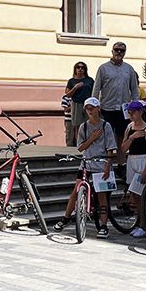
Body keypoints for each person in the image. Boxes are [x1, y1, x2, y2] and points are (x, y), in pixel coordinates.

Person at [58, 97, 118, 237]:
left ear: (98, 109)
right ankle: (66, 218)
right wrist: (92, 138)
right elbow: (80, 148)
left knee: (102, 196)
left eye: (92, 108)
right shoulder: (83, 127)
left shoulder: (105, 126)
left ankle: (103, 226)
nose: (90, 110)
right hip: (86, 163)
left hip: (101, 164)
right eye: (87, 108)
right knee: (76, 190)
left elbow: (111, 149)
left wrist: (108, 166)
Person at [119, 100, 146, 238]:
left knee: (139, 195)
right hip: (131, 161)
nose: (131, 115)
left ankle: (144, 225)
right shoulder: (129, 128)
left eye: (133, 112)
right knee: (134, 195)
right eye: (129, 112)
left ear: (140, 112)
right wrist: (132, 138)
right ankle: (140, 221)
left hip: (143, 161)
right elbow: (123, 148)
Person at [91, 42, 139, 139]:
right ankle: (108, 154)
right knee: (105, 135)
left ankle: (120, 154)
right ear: (112, 51)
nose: (119, 52)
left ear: (125, 53)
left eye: (122, 50)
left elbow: (134, 90)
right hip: (107, 108)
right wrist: (94, 107)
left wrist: (135, 107)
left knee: (122, 136)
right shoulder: (103, 68)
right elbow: (96, 89)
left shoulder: (129, 69)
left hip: (124, 109)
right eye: (116, 50)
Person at [64, 62, 94, 144]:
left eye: (82, 67)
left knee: (89, 124)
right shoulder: (71, 81)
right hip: (77, 104)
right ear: (75, 69)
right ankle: (79, 143)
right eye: (78, 67)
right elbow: (68, 94)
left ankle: (88, 142)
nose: (80, 69)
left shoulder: (89, 80)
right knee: (77, 125)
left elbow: (95, 91)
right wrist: (75, 87)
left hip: (88, 104)